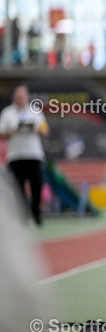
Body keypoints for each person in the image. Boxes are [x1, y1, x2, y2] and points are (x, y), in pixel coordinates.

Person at [0, 85, 49, 226]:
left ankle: (36, 213)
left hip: (34, 155)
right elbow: (1, 134)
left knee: (37, 187)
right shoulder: (7, 113)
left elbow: (45, 131)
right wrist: (12, 132)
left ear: (27, 97)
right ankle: (23, 216)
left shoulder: (36, 112)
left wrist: (36, 129)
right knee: (18, 189)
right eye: (18, 96)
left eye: (23, 96)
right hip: (15, 156)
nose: (20, 99)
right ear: (14, 97)